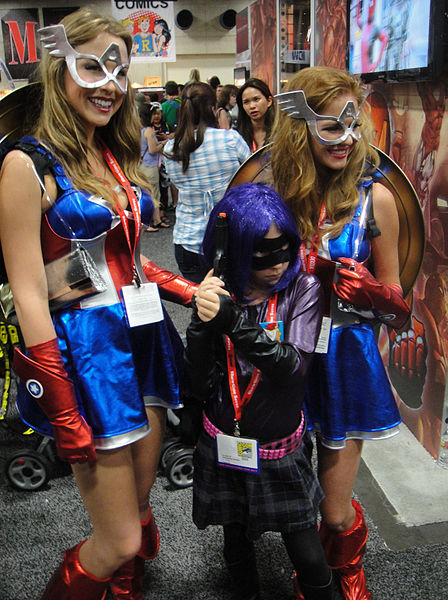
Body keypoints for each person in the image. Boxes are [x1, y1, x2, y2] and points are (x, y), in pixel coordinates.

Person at [0, 9, 197, 600]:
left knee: (139, 511)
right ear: (59, 70)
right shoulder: (25, 164)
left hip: (144, 338)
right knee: (117, 542)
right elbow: (30, 289)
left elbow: (125, 262)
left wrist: (190, 290)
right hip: (88, 355)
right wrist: (59, 401)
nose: (109, 85)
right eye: (92, 68)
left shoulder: (113, 155)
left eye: (118, 70)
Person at [270, 66, 411, 600]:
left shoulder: (377, 200)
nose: (347, 139)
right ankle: (315, 576)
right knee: (287, 489)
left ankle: (348, 578)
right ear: (300, 127)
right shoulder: (276, 195)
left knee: (333, 507)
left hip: (346, 355)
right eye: (332, 126)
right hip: (284, 352)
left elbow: (399, 305)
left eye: (354, 126)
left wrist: (371, 293)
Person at [184, 182, 335, 600]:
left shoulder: (302, 290)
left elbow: (292, 367)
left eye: (284, 249)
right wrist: (201, 323)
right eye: (262, 253)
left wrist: (233, 321)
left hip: (279, 447)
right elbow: (198, 381)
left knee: (307, 553)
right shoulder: (222, 291)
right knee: (235, 538)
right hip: (224, 440)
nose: (277, 263)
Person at [164, 82, 250, 284]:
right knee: (231, 306)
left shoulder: (171, 148)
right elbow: (253, 180)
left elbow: (176, 183)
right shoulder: (229, 139)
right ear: (213, 109)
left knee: (201, 305)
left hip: (187, 242)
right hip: (227, 241)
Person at [139, 103, 170, 231]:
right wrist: (163, 143)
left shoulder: (140, 130)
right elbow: (153, 149)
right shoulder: (149, 131)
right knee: (153, 194)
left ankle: (156, 220)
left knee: (148, 194)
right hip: (150, 166)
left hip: (142, 165)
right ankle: (151, 223)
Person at [236, 78, 274, 152]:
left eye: (256, 99)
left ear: (269, 101)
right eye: (246, 102)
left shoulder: (281, 132)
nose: (252, 106)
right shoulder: (238, 136)